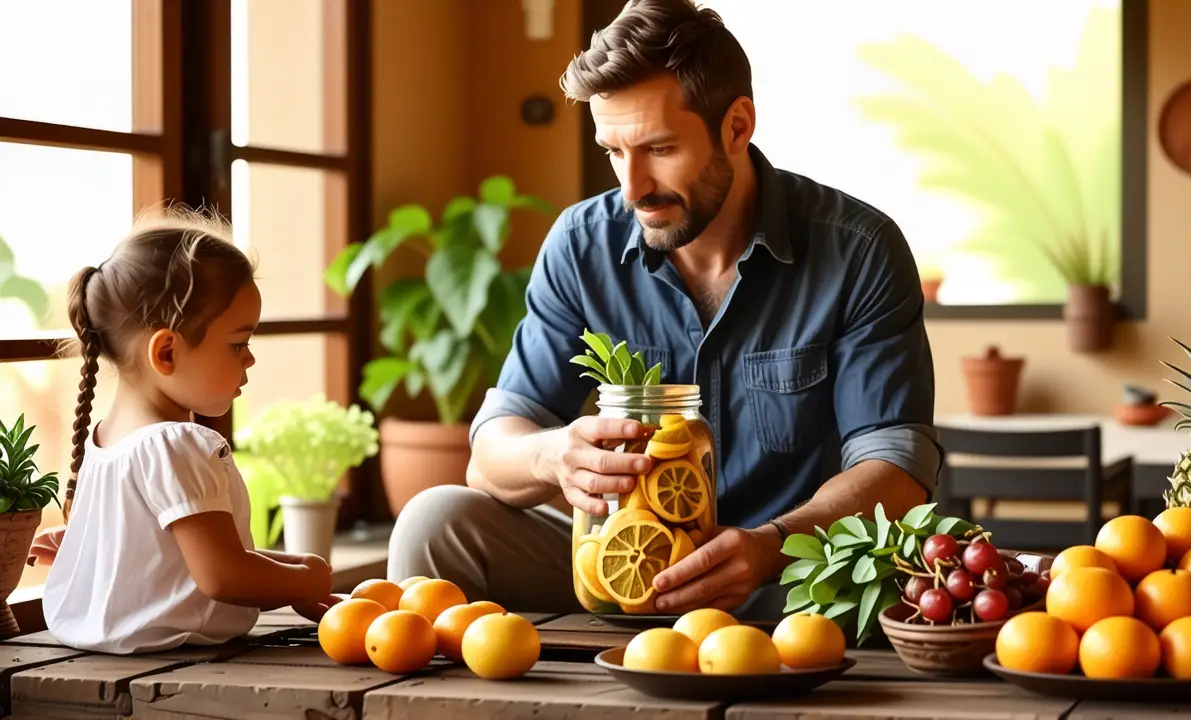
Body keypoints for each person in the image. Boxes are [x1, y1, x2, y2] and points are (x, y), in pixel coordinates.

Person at [387, 0, 940, 617]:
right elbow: (491, 455)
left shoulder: (859, 248)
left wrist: (770, 546)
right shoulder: (579, 244)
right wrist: (554, 454)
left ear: (737, 125)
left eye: (659, 148)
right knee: (432, 522)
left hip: (789, 579)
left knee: (876, 577)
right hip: (625, 567)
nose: (632, 187)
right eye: (613, 152)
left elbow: (896, 467)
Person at [29, 209, 342, 654]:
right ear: (167, 351)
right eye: (238, 343)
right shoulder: (178, 444)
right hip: (168, 656)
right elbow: (224, 575)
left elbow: (182, 554)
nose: (249, 359)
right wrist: (310, 577)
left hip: (91, 644)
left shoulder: (105, 439)